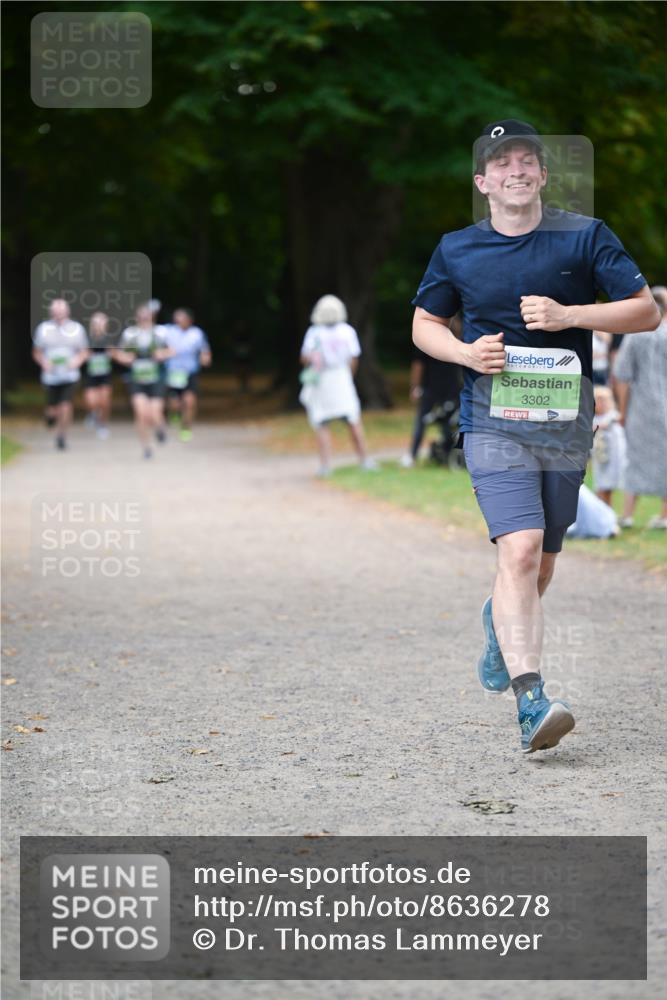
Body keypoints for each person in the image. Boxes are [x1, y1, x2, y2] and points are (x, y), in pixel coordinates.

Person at [412, 119, 660, 754]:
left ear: (544, 175)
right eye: (501, 163)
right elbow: (424, 325)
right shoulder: (457, 248)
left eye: (527, 160)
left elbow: (645, 310)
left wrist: (570, 314)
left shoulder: (584, 236)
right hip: (492, 420)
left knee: (542, 563)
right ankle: (532, 700)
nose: (515, 169)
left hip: (564, 423)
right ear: (482, 181)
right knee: (518, 551)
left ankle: (499, 627)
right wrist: (467, 355)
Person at [299, 295, 377, 477]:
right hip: (342, 377)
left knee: (321, 422)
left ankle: (325, 465)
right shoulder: (347, 331)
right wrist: (349, 376)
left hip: (322, 379)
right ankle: (364, 459)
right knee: (353, 419)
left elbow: (304, 358)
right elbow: (354, 358)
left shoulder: (314, 332)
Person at [614, 286, 667, 530]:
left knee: (634, 457)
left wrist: (623, 411)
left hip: (641, 405)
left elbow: (622, 375)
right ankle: (664, 516)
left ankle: (627, 514)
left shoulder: (636, 335)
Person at [113, 305, 173, 459]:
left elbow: (172, 350)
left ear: (152, 316)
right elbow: (119, 353)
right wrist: (126, 358)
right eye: (141, 316)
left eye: (147, 315)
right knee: (141, 414)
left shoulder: (161, 332)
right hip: (137, 378)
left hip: (156, 377)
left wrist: (162, 354)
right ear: (136, 317)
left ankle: (160, 428)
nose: (144, 318)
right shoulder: (130, 334)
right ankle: (146, 447)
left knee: (154, 413)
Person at [32, 298, 88, 450]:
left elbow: (84, 352)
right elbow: (36, 352)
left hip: (70, 375)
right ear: (51, 313)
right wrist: (44, 363)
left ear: (67, 312)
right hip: (50, 377)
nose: (58, 316)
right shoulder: (43, 329)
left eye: (61, 313)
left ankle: (62, 436)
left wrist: (76, 362)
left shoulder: (77, 329)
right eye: (56, 313)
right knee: (53, 409)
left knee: (66, 406)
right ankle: (50, 417)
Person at [400, 345, 462, 467]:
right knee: (430, 422)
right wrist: (416, 386)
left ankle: (445, 454)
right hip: (436, 388)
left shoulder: (431, 339)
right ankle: (414, 454)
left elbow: (418, 365)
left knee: (443, 422)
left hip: (443, 388)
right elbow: (418, 365)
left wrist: (415, 387)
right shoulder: (451, 339)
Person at [164, 308, 212, 441]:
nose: (178, 321)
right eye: (176, 318)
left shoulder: (196, 334)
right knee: (175, 403)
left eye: (181, 318)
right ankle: (174, 413)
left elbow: (204, 350)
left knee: (190, 402)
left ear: (189, 320)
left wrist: (205, 358)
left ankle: (186, 428)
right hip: (174, 372)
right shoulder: (168, 331)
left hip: (190, 372)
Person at [591, 385, 626, 507]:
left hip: (613, 458)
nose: (602, 404)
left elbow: (616, 421)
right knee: (601, 486)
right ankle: (599, 510)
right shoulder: (593, 418)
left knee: (609, 487)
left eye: (605, 400)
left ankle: (607, 511)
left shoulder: (613, 416)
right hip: (600, 458)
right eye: (599, 400)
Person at [83, 311, 113, 439]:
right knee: (91, 401)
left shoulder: (110, 339)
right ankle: (93, 414)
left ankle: (103, 425)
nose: (99, 325)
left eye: (102, 322)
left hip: (105, 374)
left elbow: (115, 353)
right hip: (91, 374)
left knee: (104, 402)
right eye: (96, 322)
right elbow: (82, 353)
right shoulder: (86, 339)